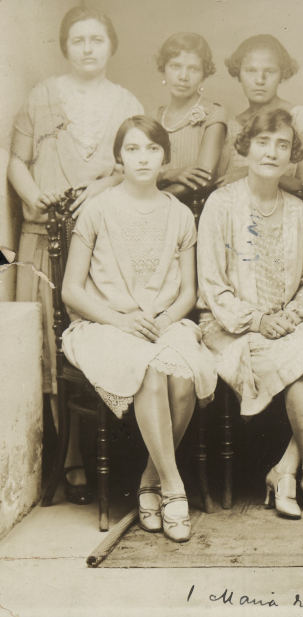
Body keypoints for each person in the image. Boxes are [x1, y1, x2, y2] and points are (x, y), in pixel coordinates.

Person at [8, 5, 143, 504]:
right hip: (44, 238)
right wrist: (33, 196)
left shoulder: (126, 100)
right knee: (48, 336)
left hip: (100, 241)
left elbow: (134, 162)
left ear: (111, 46)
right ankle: (68, 457)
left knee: (96, 332)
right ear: (66, 46)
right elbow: (17, 162)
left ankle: (99, 451)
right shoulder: (41, 96)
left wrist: (105, 183)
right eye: (78, 40)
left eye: (97, 40)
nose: (88, 48)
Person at [60, 116, 217, 542]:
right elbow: (72, 291)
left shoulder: (180, 215)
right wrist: (122, 320)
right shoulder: (98, 209)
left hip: (163, 321)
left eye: (151, 149)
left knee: (183, 376)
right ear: (119, 158)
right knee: (151, 370)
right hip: (104, 323)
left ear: (165, 157)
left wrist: (165, 321)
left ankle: (150, 478)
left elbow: (188, 291)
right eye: (132, 149)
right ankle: (174, 486)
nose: (142, 158)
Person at [197, 108, 303, 520]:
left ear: (292, 156)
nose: (272, 152)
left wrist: (291, 315)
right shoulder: (221, 204)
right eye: (263, 142)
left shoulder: (296, 210)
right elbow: (212, 286)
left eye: (282, 145)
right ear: (246, 147)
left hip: (288, 322)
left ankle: (286, 469)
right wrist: (258, 321)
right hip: (232, 326)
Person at [221, 35, 303, 200]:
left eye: (270, 71)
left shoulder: (300, 118)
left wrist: (248, 171)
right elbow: (221, 185)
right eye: (251, 71)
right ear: (239, 74)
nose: (260, 80)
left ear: (282, 75)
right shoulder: (232, 126)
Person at [153, 32, 227, 206]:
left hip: (193, 213)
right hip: (153, 211)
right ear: (164, 69)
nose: (183, 77)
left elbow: (203, 179)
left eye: (193, 69)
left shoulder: (213, 113)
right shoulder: (154, 117)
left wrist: (152, 202)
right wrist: (168, 174)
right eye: (175, 66)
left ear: (203, 75)